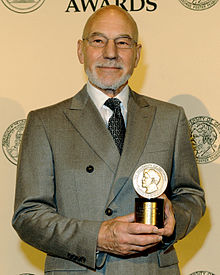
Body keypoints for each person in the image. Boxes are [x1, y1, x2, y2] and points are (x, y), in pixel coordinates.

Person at [12, 5, 206, 275]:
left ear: (137, 55)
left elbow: (191, 196)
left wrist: (177, 218)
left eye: (123, 42)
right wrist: (99, 237)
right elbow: (28, 216)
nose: (111, 53)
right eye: (98, 40)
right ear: (81, 50)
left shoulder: (170, 118)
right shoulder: (45, 123)